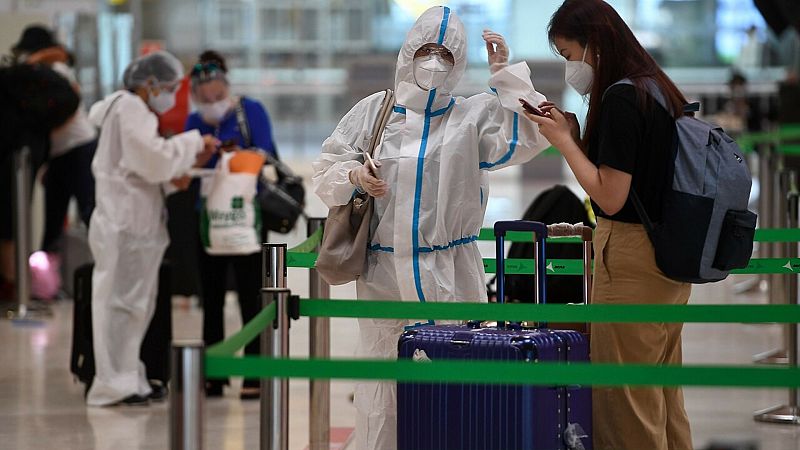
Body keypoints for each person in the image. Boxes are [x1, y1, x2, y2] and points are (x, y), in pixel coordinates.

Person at [312, 6, 550, 449]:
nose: (433, 62)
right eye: (425, 50)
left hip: (451, 271)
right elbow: (328, 163)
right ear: (407, 53)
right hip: (382, 274)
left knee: (456, 375)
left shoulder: (472, 116)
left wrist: (506, 75)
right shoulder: (374, 111)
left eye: (444, 53)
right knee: (383, 382)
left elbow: (529, 136)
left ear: (458, 61)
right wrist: (354, 178)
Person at [521, 1, 693, 448]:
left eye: (568, 53)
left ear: (594, 44)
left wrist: (564, 145)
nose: (569, 66)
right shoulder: (654, 87)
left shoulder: (620, 96)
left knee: (624, 404)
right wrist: (577, 139)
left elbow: (610, 195)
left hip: (634, 259)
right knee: (660, 397)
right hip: (667, 260)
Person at [86, 50, 218, 406]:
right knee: (121, 307)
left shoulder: (130, 110)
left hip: (133, 223)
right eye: (171, 87)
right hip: (125, 225)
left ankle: (130, 378)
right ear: (150, 84)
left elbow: (153, 170)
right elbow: (154, 159)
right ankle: (114, 383)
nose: (172, 95)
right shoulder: (129, 108)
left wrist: (189, 160)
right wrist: (192, 142)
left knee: (133, 307)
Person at [184, 50, 278, 399]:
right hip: (208, 218)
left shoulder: (249, 111)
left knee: (250, 295)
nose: (210, 99)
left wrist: (229, 154)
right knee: (210, 298)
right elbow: (185, 163)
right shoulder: (195, 121)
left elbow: (264, 151)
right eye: (203, 93)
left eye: (216, 91)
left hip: (246, 216)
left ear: (225, 83)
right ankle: (215, 372)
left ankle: (253, 373)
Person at [11, 25, 98, 298]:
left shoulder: (56, 73)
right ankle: (46, 286)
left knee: (91, 214)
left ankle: (102, 278)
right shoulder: (41, 74)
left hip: (80, 149)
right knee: (52, 224)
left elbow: (67, 109)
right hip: (59, 155)